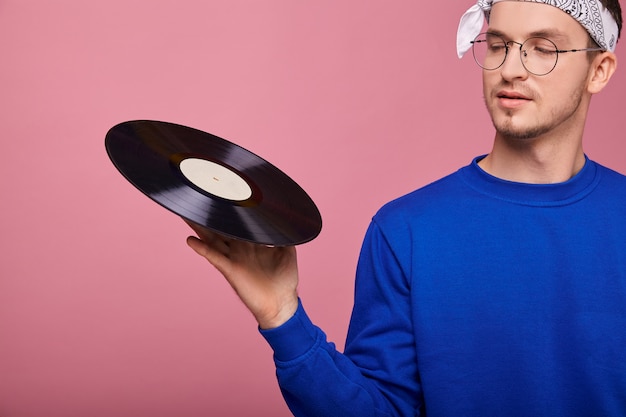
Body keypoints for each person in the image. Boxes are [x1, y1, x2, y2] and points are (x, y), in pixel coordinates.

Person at [186, 1, 626, 416]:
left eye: (542, 49)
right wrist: (283, 318)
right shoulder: (406, 230)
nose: (510, 69)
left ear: (599, 70)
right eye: (498, 45)